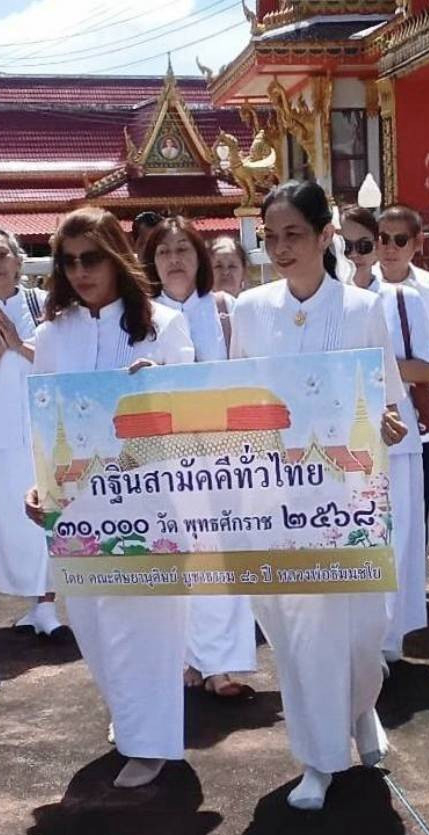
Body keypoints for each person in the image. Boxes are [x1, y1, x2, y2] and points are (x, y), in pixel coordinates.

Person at [230, 180, 408, 811]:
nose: (279, 248)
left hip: (348, 497)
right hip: (277, 503)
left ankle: (361, 707)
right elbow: (236, 404)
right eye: (269, 236)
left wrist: (386, 422)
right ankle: (319, 758)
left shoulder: (362, 309)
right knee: (302, 631)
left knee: (364, 635)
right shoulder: (248, 310)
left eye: (293, 235)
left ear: (325, 236)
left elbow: (384, 399)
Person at [26, 206, 195, 789]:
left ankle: (151, 744)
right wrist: (38, 484)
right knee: (94, 627)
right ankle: (130, 719)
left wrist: (161, 385)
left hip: (150, 502)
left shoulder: (165, 327)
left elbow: (193, 413)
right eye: (68, 261)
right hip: (79, 506)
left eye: (91, 258)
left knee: (146, 626)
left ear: (117, 257)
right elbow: (45, 422)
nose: (79, 271)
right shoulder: (51, 335)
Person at [141, 216, 257, 697]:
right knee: (175, 553)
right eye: (164, 251)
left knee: (221, 552)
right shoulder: (139, 315)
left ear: (200, 260)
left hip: (221, 453)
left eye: (183, 250)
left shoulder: (226, 309)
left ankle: (222, 665)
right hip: (163, 456)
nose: (174, 260)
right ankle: (185, 658)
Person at [339, 205, 429, 659]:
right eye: (352, 244)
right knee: (351, 537)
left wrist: (368, 370)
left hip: (394, 432)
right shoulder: (331, 301)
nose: (361, 253)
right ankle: (357, 637)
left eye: (370, 243)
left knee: (394, 537)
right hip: (342, 436)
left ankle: (388, 639)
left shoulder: (403, 299)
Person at [0, 226, 63, 651]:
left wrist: (17, 344)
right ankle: (36, 601)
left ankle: (52, 602)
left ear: (18, 260)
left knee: (48, 509)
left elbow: (60, 360)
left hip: (43, 426)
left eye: (1, 255)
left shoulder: (44, 305)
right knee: (10, 519)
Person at [375, 205, 429, 572]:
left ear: (416, 244)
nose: (388, 248)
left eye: (399, 240)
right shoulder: (357, 284)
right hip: (371, 410)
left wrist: (418, 339)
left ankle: (414, 586)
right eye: (381, 239)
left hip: (419, 411)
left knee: (419, 500)